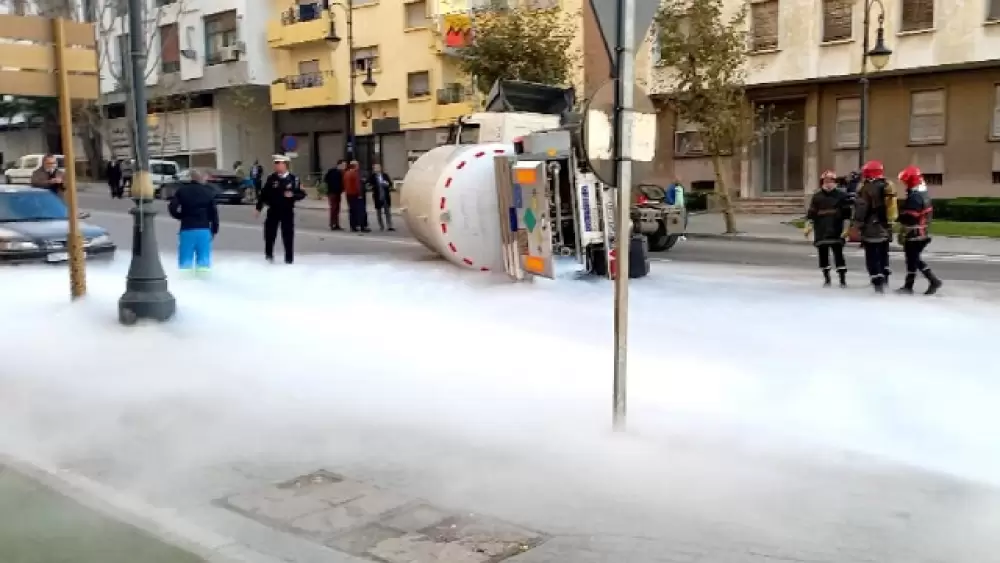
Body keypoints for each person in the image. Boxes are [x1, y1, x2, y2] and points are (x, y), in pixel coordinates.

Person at [849, 160, 897, 293]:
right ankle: (885, 281)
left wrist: (856, 225)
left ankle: (877, 284)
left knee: (871, 256)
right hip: (885, 226)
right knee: (883, 254)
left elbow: (861, 207)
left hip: (871, 226)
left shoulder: (867, 187)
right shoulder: (887, 185)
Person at [895, 165, 942, 295]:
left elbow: (911, 216)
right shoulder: (922, 193)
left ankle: (933, 281)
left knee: (914, 259)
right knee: (913, 259)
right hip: (921, 233)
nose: (904, 184)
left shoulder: (915, 196)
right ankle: (910, 285)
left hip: (915, 234)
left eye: (905, 181)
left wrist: (898, 217)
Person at [255, 154, 306, 264]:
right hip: (273, 210)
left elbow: (302, 194)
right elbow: (263, 194)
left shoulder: (294, 179)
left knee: (288, 235)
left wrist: (293, 195)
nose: (276, 165)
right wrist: (258, 208)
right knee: (269, 234)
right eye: (275, 163)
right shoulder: (271, 178)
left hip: (287, 211)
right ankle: (269, 255)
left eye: (278, 163)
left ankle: (289, 259)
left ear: (285, 164)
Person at [167, 168, 219, 274]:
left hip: (187, 229)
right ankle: (202, 282)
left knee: (185, 259)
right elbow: (214, 213)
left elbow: (172, 207)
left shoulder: (182, 191)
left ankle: (186, 283)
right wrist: (214, 230)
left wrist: (180, 216)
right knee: (203, 259)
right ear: (202, 178)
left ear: (191, 177)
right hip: (204, 230)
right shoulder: (209, 192)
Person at [805, 170, 851, 287]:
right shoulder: (817, 196)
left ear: (834, 182)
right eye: (826, 181)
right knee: (823, 255)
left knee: (838, 255)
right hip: (821, 229)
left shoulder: (841, 196)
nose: (828, 183)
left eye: (831, 181)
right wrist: (809, 225)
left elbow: (847, 213)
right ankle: (827, 278)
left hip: (836, 229)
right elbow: (812, 212)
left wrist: (847, 228)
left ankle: (842, 279)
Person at [344, 160, 368, 233]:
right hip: (356, 194)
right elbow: (358, 185)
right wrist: (360, 194)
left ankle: (353, 226)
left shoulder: (346, 173)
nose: (358, 166)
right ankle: (362, 227)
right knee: (360, 211)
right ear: (355, 166)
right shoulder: (355, 173)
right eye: (357, 165)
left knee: (352, 211)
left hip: (349, 194)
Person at [369, 163, 394, 231]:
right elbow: (369, 185)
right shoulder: (372, 176)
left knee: (387, 212)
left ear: (381, 168)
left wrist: (387, 184)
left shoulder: (385, 175)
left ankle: (389, 226)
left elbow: (390, 184)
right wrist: (373, 186)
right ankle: (381, 226)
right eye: (376, 168)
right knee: (379, 212)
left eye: (378, 167)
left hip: (385, 196)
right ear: (374, 169)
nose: (377, 169)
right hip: (377, 196)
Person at [324, 159, 346, 230]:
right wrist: (331, 185)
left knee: (337, 209)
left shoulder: (342, 172)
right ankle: (332, 224)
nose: (344, 166)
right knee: (333, 208)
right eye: (343, 165)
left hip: (338, 193)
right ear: (339, 165)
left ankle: (336, 224)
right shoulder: (332, 171)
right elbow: (326, 179)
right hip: (332, 192)